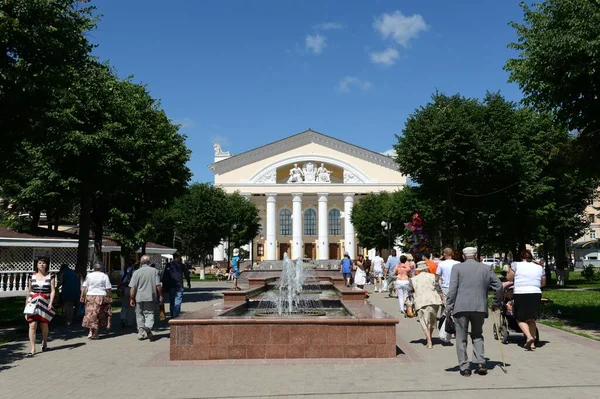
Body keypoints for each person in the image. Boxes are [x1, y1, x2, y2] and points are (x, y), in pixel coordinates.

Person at [446, 247, 503, 377]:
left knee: (461, 337)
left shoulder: (457, 268)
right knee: (477, 334)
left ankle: (465, 367)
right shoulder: (485, 268)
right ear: (476, 255)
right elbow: (499, 285)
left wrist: (448, 306)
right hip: (479, 307)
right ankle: (481, 363)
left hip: (461, 307)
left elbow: (453, 289)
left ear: (463, 255)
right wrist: (496, 303)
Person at [507, 249, 546, 350]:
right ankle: (532, 343)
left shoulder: (516, 265)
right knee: (532, 318)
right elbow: (543, 283)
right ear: (531, 257)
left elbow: (509, 278)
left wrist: (509, 272)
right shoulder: (540, 267)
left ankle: (528, 337)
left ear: (521, 257)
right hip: (536, 293)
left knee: (520, 318)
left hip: (521, 292)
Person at [24, 257, 56, 357]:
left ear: (46, 265)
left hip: (45, 301)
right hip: (33, 302)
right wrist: (26, 302)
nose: (42, 264)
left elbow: (53, 290)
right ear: (36, 265)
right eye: (40, 263)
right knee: (32, 325)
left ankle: (44, 342)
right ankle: (33, 348)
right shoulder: (31, 276)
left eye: (44, 263)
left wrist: (51, 302)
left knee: (44, 324)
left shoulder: (51, 275)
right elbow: (29, 290)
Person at [409, 261, 444, 348]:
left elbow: (410, 292)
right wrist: (443, 298)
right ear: (426, 269)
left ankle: (429, 341)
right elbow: (438, 288)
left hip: (420, 301)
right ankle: (429, 337)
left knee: (423, 321)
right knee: (432, 320)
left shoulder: (413, 279)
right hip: (434, 300)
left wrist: (410, 304)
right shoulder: (432, 276)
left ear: (418, 270)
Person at [129, 255, 163, 341]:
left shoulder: (136, 272)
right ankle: (148, 327)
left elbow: (133, 287)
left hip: (139, 297)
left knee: (139, 315)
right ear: (149, 262)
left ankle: (141, 333)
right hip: (150, 296)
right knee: (149, 313)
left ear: (140, 262)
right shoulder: (155, 271)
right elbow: (158, 285)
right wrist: (161, 295)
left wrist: (132, 298)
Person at [81, 260, 113, 340]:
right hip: (100, 296)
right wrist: (110, 295)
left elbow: (84, 287)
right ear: (101, 267)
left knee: (90, 314)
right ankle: (95, 333)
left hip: (90, 296)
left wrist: (82, 296)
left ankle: (90, 332)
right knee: (98, 314)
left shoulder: (89, 275)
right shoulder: (104, 276)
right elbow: (108, 288)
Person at [161, 252, 191, 317]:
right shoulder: (181, 265)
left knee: (172, 301)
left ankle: (172, 315)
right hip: (179, 285)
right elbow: (186, 274)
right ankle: (175, 315)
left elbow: (165, 276)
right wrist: (188, 282)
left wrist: (164, 286)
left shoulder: (169, 265)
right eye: (180, 257)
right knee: (178, 301)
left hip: (171, 285)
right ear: (177, 257)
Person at [119, 262, 137, 328]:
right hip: (132, 288)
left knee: (124, 305)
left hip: (124, 288)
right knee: (131, 306)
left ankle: (123, 318)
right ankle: (130, 322)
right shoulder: (135, 271)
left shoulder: (122, 271)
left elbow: (119, 281)